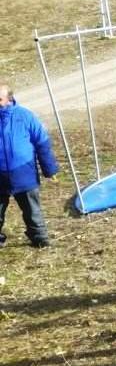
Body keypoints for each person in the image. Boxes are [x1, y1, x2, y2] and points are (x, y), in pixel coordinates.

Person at [0, 83, 58, 249]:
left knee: (32, 211)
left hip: (24, 173)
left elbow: (42, 143)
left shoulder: (25, 116)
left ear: (9, 99)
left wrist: (50, 169)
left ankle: (39, 238)